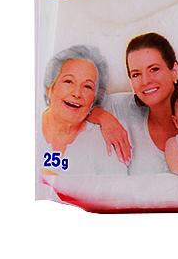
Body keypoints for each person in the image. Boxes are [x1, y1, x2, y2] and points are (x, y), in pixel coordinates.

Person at [89, 32, 178, 175]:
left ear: (174, 71)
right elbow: (76, 103)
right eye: (136, 74)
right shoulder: (124, 108)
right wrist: (104, 118)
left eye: (154, 69)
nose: (145, 81)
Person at [39, 45, 126, 175]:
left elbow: (118, 186)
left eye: (87, 87)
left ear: (94, 99)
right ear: (50, 88)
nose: (77, 93)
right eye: (69, 81)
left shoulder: (103, 143)